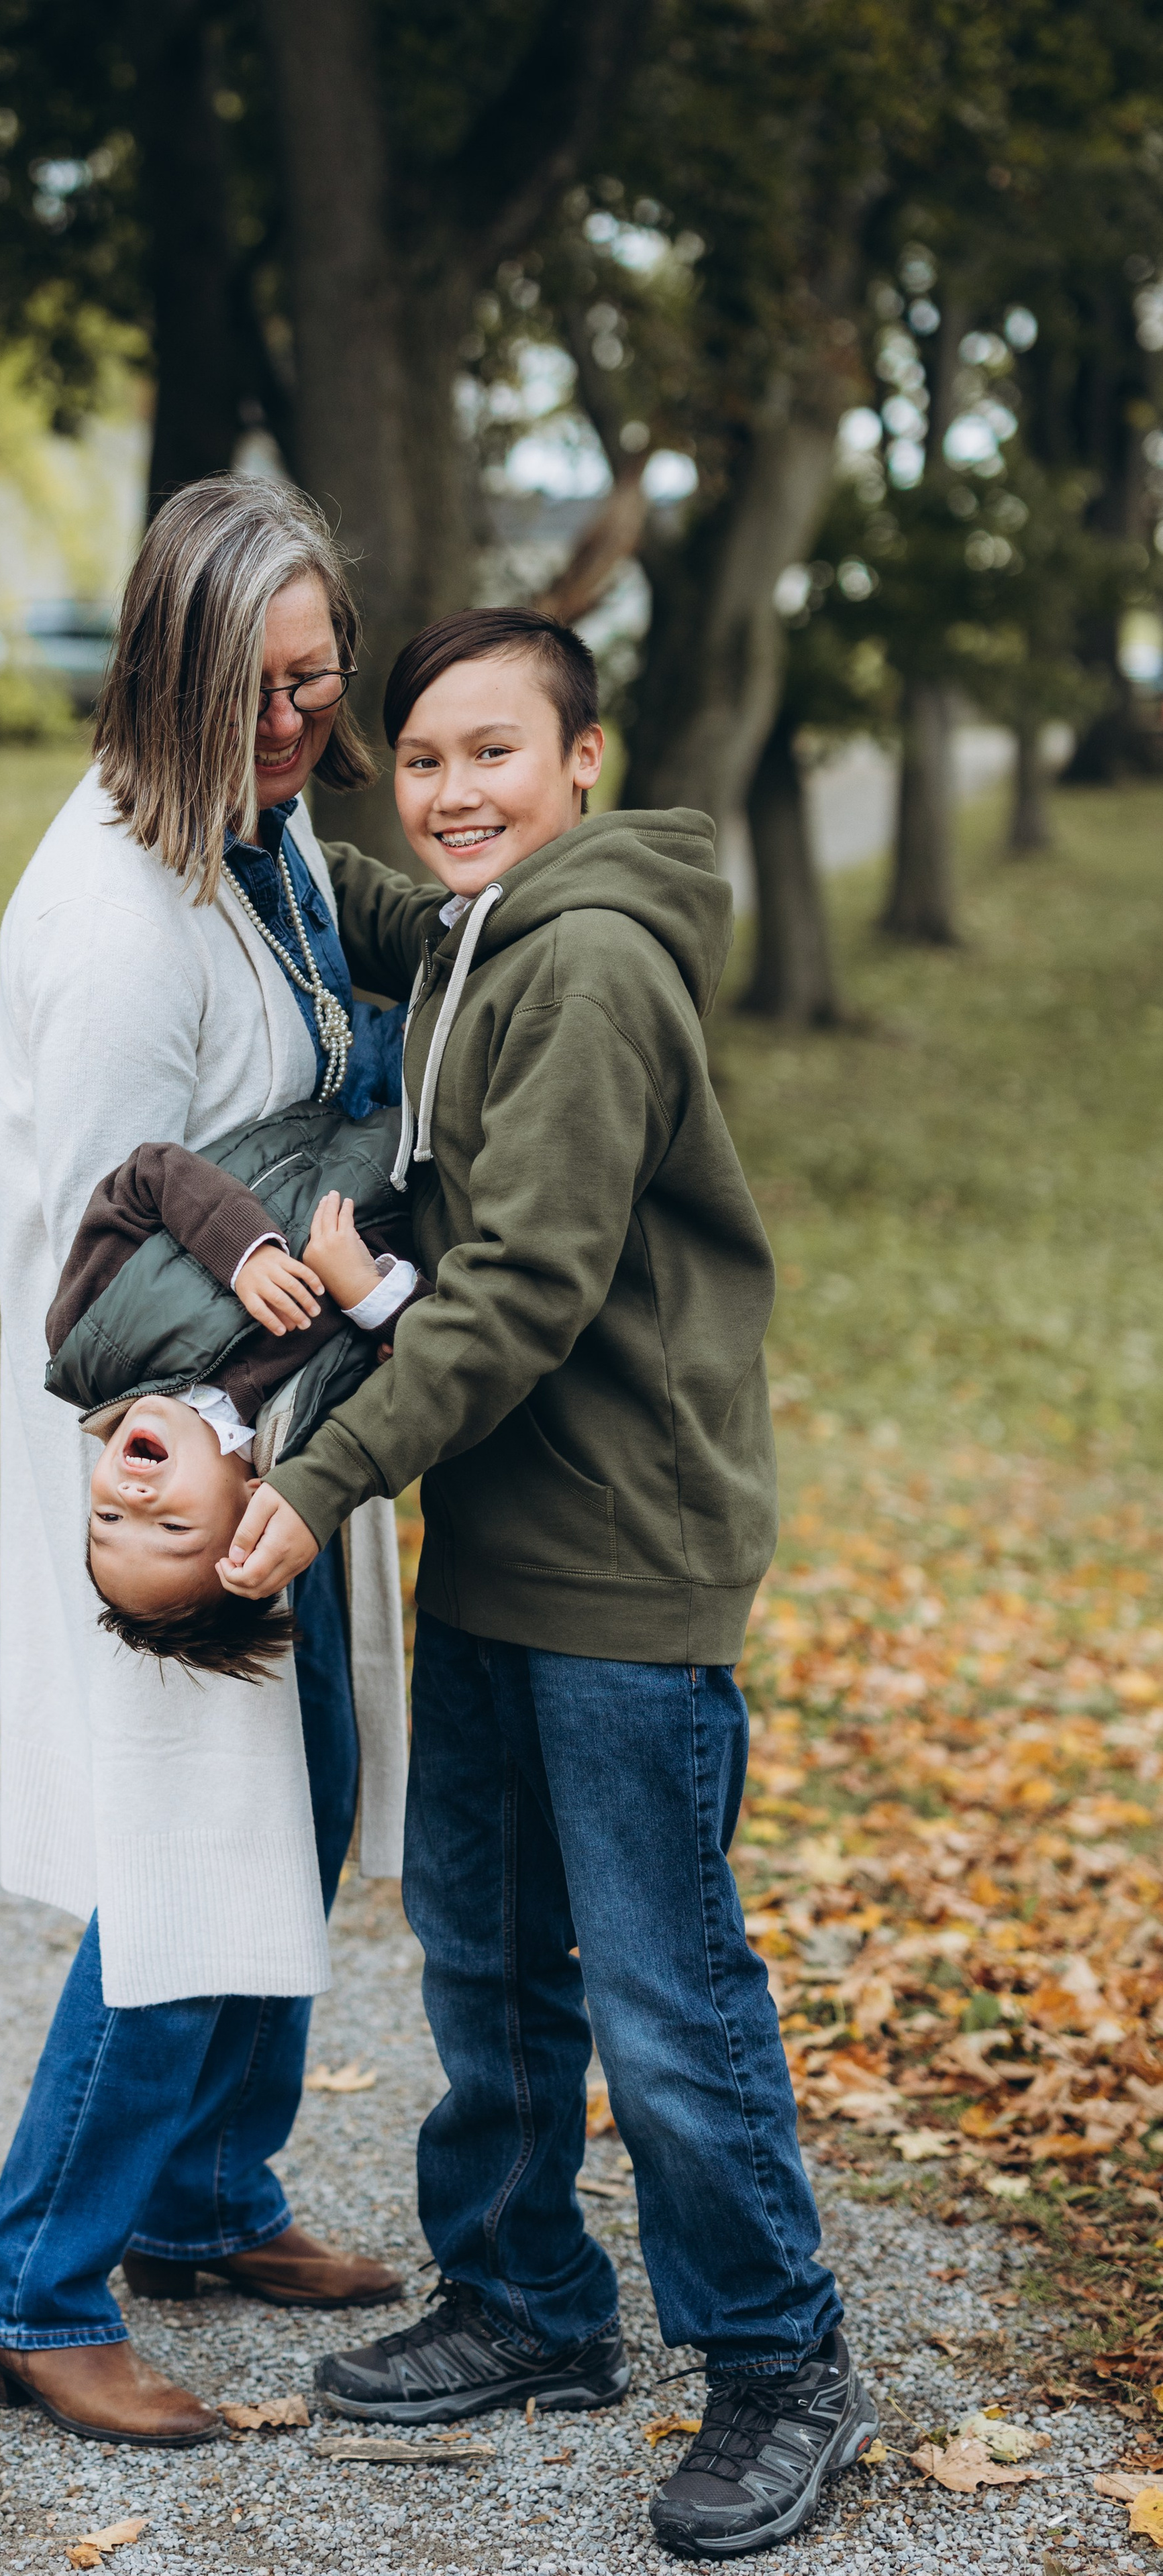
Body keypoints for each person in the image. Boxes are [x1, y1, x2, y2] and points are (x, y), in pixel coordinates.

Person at [219, 607, 874, 2557]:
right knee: (488, 1950)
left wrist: (319, 1476)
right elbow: (368, 903)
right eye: (422, 758)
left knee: (660, 1986)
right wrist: (240, 775)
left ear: (582, 760)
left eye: (491, 752)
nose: (450, 792)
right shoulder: (482, 931)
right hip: (504, 1537)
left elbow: (518, 1288)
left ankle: (781, 2359)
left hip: (623, 1552)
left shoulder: (586, 963)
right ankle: (526, 2297)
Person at [0, 481, 410, 2449]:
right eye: (262, 685)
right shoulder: (117, 922)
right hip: (169, 1461)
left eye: (321, 677)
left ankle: (207, 2190)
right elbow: (106, 1275)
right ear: (171, 671)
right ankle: (31, 2284)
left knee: (302, 1801)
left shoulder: (257, 827)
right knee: (184, 1851)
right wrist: (207, 1478)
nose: (300, 720)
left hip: (276, 1442)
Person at [45, 1114, 427, 1668]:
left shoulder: (84, 1340)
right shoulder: (315, 1435)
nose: (132, 1498)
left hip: (336, 1111)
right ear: (253, 1504)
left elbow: (147, 1175)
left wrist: (246, 1253)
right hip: (430, 1159)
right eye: (172, 1527)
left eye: (108, 1519)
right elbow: (437, 1361)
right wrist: (366, 1290)